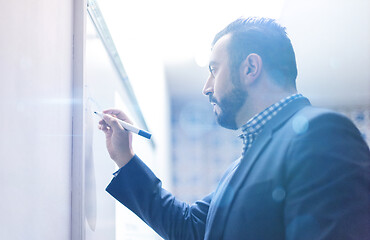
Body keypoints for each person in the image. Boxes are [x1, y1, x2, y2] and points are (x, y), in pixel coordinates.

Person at [98, 17, 370, 240]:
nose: (206, 87)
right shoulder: (242, 164)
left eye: (214, 70)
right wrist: (125, 158)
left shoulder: (321, 133)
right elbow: (190, 228)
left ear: (250, 68)